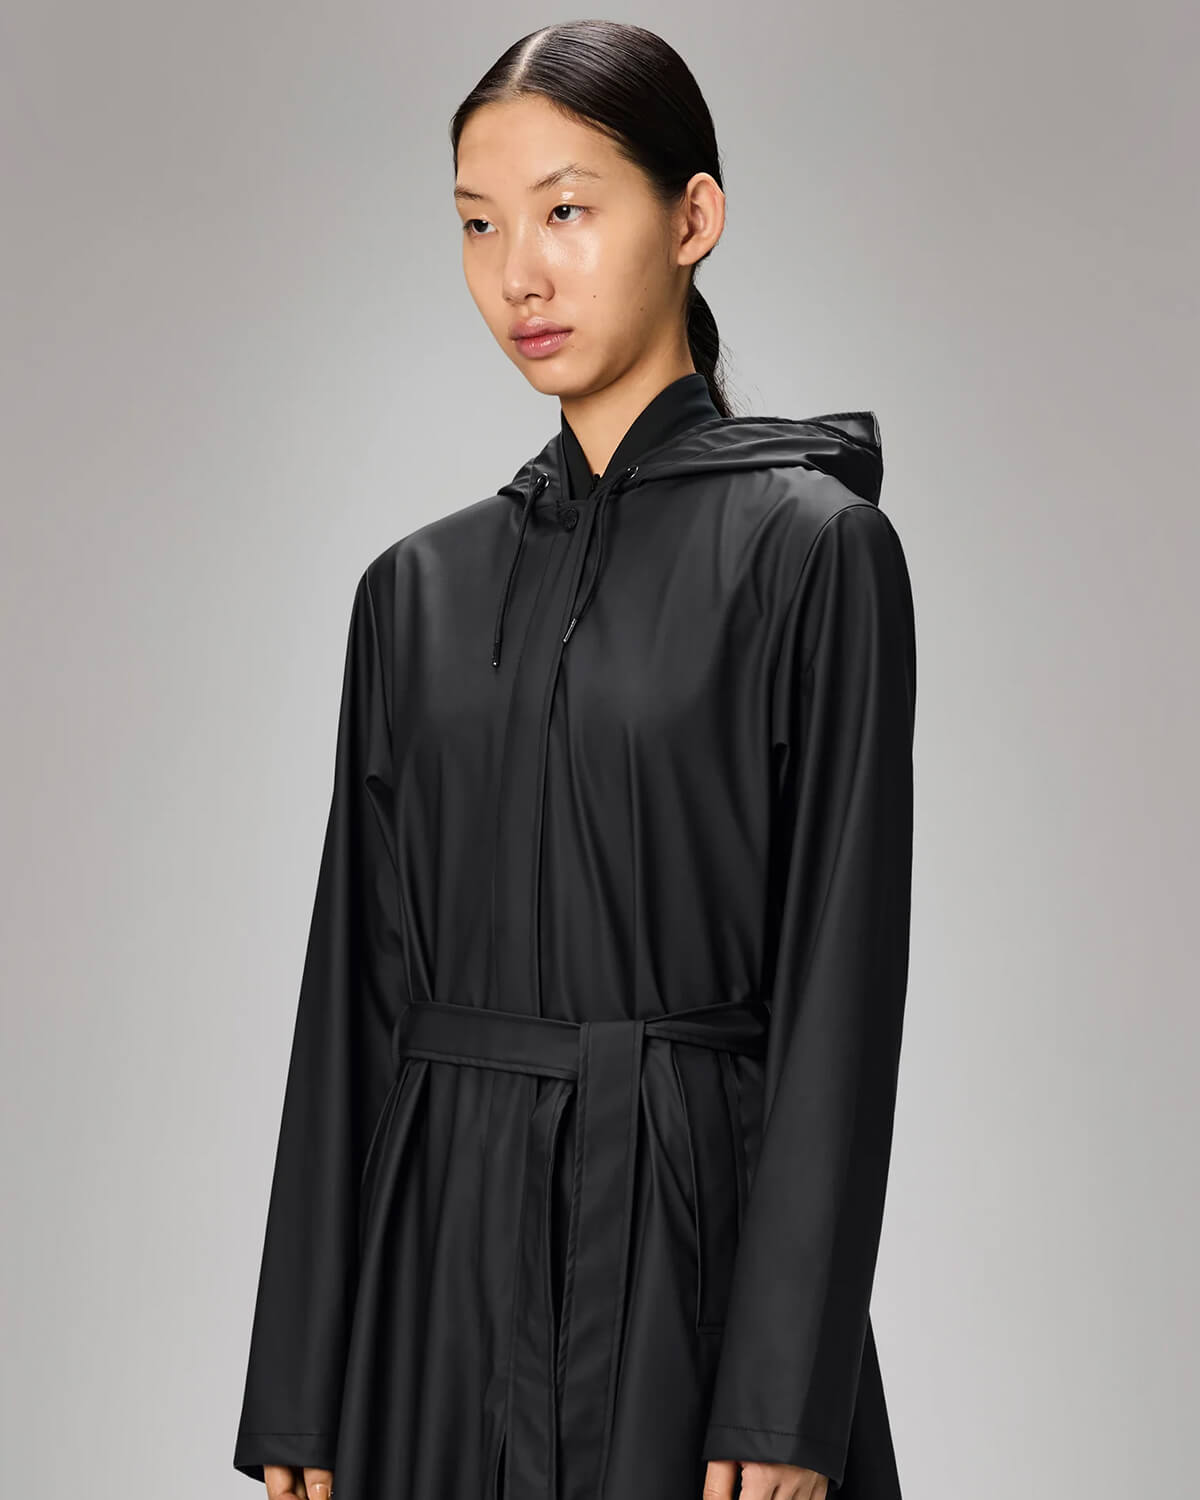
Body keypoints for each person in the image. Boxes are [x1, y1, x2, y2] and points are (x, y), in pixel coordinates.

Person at [232, 20, 916, 1500]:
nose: (519, 276)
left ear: (692, 217)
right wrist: (300, 1387)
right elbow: (353, 995)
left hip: (687, 1256)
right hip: (433, 1283)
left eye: (565, 209)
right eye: (479, 226)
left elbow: (842, 996)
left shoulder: (814, 554)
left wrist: (782, 1402)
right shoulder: (415, 594)